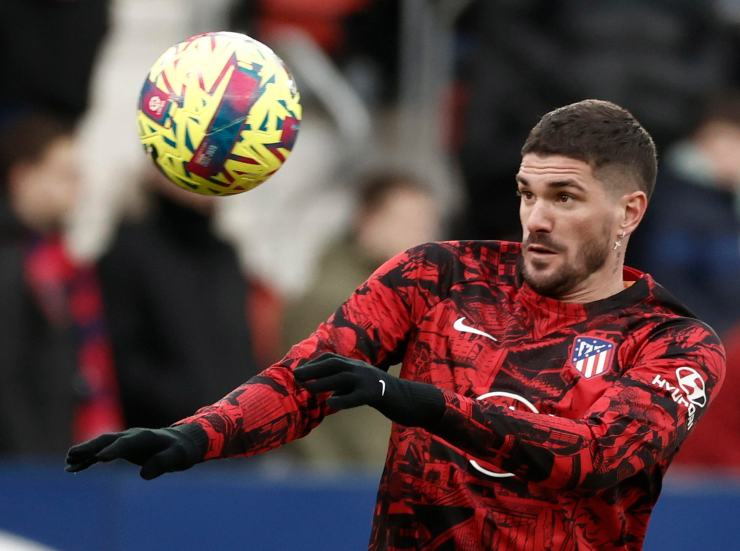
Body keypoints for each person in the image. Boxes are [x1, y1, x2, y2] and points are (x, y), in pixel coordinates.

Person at [67, 100, 726, 550]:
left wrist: (419, 401)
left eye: (565, 197)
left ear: (629, 212)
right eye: (528, 193)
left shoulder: (674, 341)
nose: (538, 219)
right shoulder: (439, 275)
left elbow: (595, 456)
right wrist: (194, 435)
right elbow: (308, 379)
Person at [281, 171, 441, 469]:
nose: (421, 236)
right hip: (347, 488)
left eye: (427, 223)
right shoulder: (330, 303)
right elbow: (313, 416)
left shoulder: (416, 303)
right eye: (406, 222)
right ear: (366, 222)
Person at [96, 170, 261, 428]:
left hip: (238, 442)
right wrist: (192, 407)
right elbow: (125, 362)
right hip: (166, 447)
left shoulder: (225, 254)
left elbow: (240, 348)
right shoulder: (128, 252)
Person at [0, 112, 121, 455]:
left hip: (62, 457)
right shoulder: (12, 264)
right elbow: (8, 374)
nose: (77, 190)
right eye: (65, 176)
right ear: (22, 178)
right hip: (26, 470)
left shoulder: (66, 266)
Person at [629, 91, 740, 337]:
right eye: (729, 141)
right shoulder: (675, 202)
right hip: (701, 340)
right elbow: (668, 281)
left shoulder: (724, 201)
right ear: (702, 141)